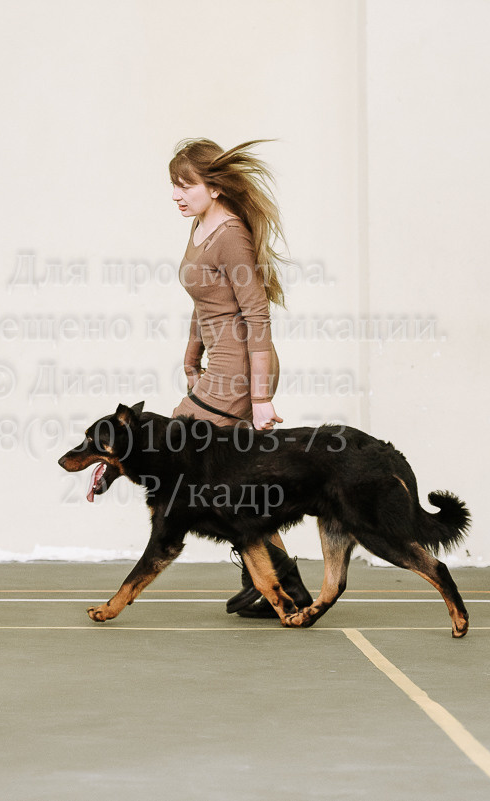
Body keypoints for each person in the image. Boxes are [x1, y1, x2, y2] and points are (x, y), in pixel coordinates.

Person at [167, 138, 311, 617]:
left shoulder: (230, 233)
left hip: (240, 369)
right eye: (174, 185)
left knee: (181, 454)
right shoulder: (200, 224)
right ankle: (269, 581)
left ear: (214, 184)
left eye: (185, 184)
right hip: (218, 364)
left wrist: (262, 394)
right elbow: (203, 302)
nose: (177, 194)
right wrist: (191, 358)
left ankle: (278, 582)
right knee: (231, 479)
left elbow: (256, 313)